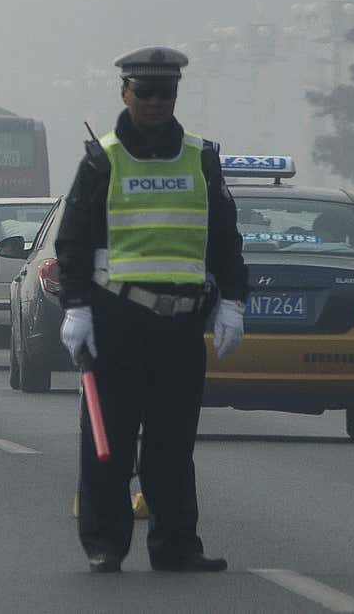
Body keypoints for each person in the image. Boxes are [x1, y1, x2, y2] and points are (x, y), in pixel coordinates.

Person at [53, 46, 248, 574]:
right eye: (146, 92)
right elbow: (71, 243)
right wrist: (76, 308)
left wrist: (233, 300)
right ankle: (105, 544)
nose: (157, 102)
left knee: (172, 445)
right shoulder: (102, 160)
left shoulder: (201, 159)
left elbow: (224, 240)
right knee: (107, 443)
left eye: (167, 93)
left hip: (181, 324)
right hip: (117, 319)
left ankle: (176, 546)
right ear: (125, 94)